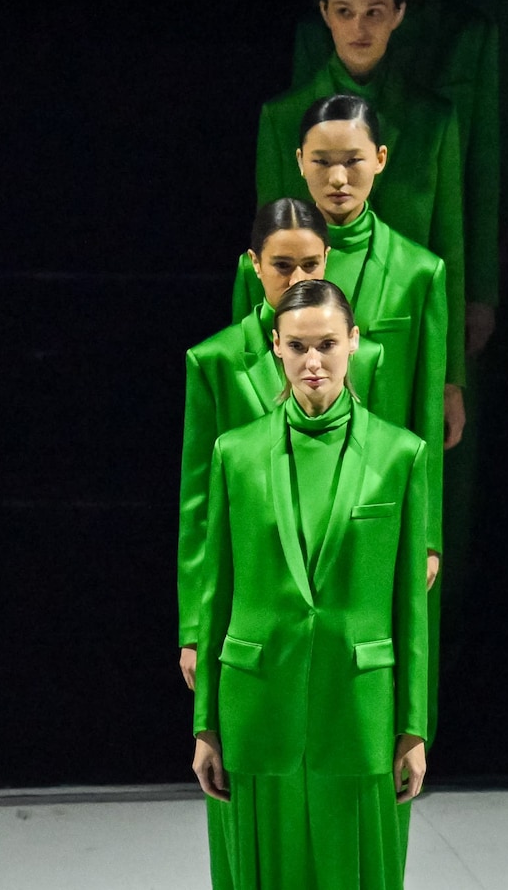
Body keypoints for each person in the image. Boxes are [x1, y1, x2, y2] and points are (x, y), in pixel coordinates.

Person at [191, 279, 432, 889]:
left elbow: (410, 607)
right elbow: (215, 594)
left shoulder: (401, 454)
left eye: (327, 343)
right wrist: (204, 723)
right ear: (277, 346)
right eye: (297, 346)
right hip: (255, 703)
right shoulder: (235, 453)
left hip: (358, 703)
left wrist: (414, 726)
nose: (313, 361)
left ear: (354, 341)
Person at [297, 0, 507, 356]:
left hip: (426, 248)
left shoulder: (463, 33)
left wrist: (481, 292)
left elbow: (481, 168)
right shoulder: (317, 35)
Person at [231, 93, 457, 533]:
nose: (337, 178)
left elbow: (426, 413)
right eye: (321, 161)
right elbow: (248, 383)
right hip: (281, 493)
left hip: (377, 493)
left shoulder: (419, 274)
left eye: (353, 161)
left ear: (380, 159)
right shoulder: (258, 270)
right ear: (300, 162)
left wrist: (428, 532)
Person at [181, 199, 379, 693]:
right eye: (282, 266)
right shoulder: (216, 360)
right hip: (257, 582)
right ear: (255, 263)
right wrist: (194, 628)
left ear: (328, 258)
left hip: (337, 584)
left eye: (310, 264)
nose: (297, 280)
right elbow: (200, 504)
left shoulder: (363, 356)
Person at [257, 0, 470, 380]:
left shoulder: (432, 119)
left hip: (402, 340)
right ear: (325, 13)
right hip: (309, 351)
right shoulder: (284, 118)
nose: (359, 27)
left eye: (374, 12)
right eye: (345, 11)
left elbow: (448, 245)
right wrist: (265, 366)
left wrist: (450, 377)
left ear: (398, 13)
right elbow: (270, 250)